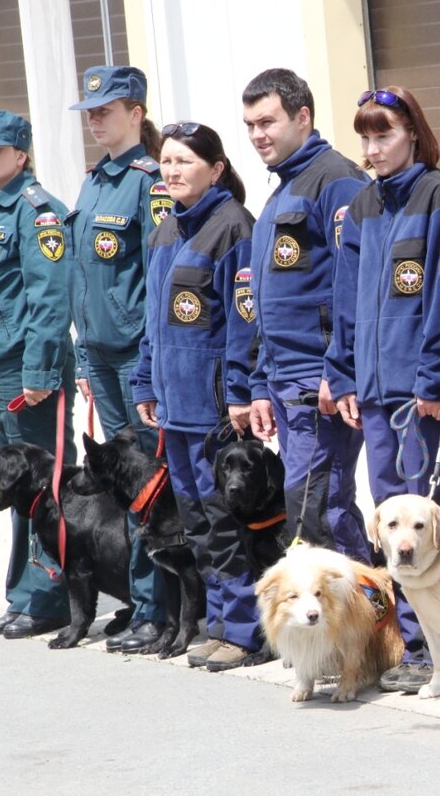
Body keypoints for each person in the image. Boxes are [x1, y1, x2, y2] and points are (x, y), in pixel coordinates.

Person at [323, 85, 440, 694]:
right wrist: (341, 372)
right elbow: (347, 299)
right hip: (377, 394)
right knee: (392, 528)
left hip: (422, 393)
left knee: (434, 522)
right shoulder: (363, 205)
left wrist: (435, 375)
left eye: (384, 135)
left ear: (413, 132)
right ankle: (415, 643)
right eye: (366, 137)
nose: (374, 148)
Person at [129, 122, 269, 670]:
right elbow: (153, 321)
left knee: (224, 518)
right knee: (197, 522)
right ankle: (216, 621)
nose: (172, 171)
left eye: (184, 161)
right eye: (166, 162)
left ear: (215, 169)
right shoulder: (166, 230)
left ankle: (243, 630)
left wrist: (239, 390)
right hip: (174, 407)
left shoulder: (232, 226)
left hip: (214, 410)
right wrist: (146, 380)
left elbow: (244, 322)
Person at [236, 68, 370, 566]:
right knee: (307, 512)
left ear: (303, 116)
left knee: (324, 510)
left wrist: (339, 371)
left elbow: (351, 288)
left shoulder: (335, 181)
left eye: (267, 122)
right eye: (250, 125)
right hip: (284, 382)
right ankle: (338, 637)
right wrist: (259, 383)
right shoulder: (280, 192)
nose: (257, 135)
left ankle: (368, 635)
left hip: (320, 384)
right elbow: (266, 305)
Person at [68, 65, 168, 654]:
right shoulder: (94, 181)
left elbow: (157, 275)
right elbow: (83, 275)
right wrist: (82, 355)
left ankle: (158, 608)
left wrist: (146, 356)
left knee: (148, 484)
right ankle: (139, 599)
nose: (96, 120)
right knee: (121, 485)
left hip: (134, 354)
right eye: (90, 112)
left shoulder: (148, 179)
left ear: (136, 113)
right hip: (100, 356)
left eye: (106, 109)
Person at [0, 109, 73, 639]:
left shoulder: (37, 213)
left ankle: (50, 595)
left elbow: (49, 299)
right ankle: (22, 595)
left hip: (23, 371)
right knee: (10, 486)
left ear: (21, 155)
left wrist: (39, 370)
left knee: (44, 485)